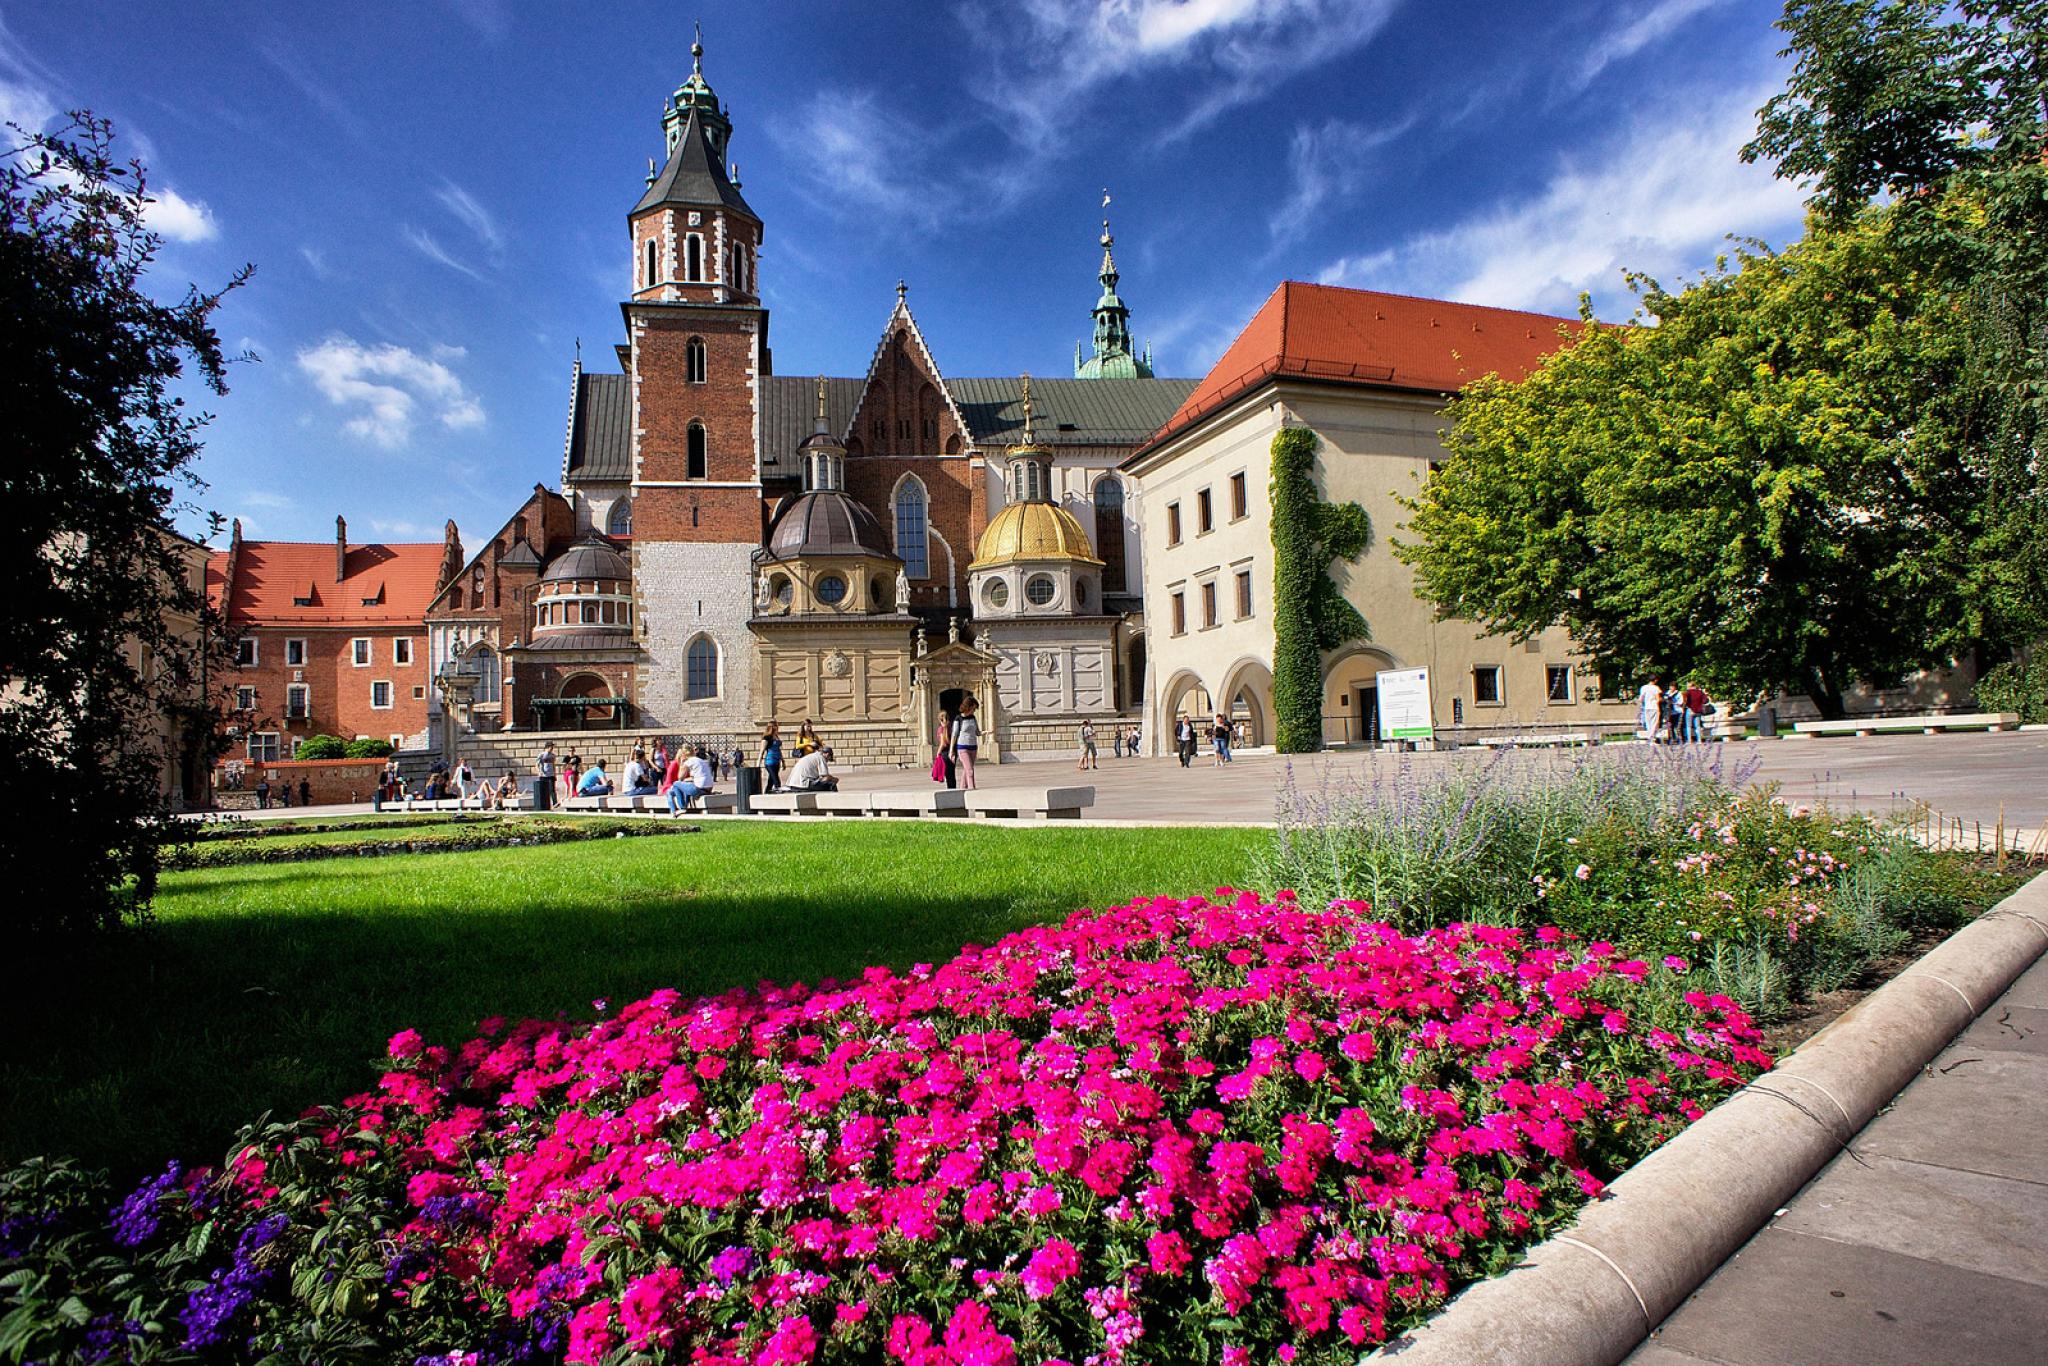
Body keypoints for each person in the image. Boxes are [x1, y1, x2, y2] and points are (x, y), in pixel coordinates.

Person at [667, 745, 718, 814]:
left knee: (676, 783)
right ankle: (682, 807)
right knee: (685, 786)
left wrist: (682, 763)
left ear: (684, 754)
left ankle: (682, 807)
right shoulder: (701, 760)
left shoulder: (689, 762)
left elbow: (680, 778)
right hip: (708, 789)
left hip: (698, 789)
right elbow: (695, 778)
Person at [953, 699, 980, 789]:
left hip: (973, 746)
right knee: (970, 770)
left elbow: (977, 732)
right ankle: (972, 788)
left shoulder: (973, 718)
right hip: (962, 747)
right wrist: (951, 751)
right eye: (973, 708)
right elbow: (954, 734)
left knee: (966, 770)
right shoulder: (958, 719)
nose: (974, 711)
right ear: (968, 707)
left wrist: (987, 732)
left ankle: (962, 788)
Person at [1638, 676, 1665, 744]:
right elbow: (1658, 699)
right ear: (1655, 680)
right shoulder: (1655, 688)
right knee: (1654, 723)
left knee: (1648, 723)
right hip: (1654, 707)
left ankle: (1650, 738)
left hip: (1647, 707)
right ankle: (1652, 738)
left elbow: (1640, 699)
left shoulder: (1643, 687)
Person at [1683, 679, 1711, 743]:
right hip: (1698, 711)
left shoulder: (1688, 692)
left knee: (1688, 726)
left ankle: (1689, 740)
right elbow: (1706, 700)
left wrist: (1685, 706)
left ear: (1689, 686)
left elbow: (1686, 701)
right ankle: (1699, 740)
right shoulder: (1700, 692)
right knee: (1697, 726)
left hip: (1690, 710)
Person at [935, 710, 957, 788]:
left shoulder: (941, 729)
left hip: (944, 752)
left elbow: (942, 743)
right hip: (952, 751)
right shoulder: (951, 727)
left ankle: (950, 789)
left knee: (947, 774)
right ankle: (953, 788)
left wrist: (938, 752)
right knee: (952, 773)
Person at [761, 722, 784, 793]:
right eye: (775, 726)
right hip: (770, 762)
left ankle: (766, 794)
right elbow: (762, 750)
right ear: (771, 727)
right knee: (777, 782)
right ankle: (779, 796)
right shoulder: (767, 737)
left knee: (770, 781)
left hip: (777, 762)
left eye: (777, 726)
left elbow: (779, 750)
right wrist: (759, 762)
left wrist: (783, 761)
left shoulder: (777, 736)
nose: (777, 727)